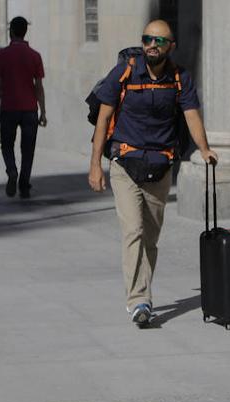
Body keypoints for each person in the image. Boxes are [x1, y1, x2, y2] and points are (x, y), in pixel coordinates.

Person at [88, 19, 217, 327]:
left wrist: (204, 149)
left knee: (151, 237)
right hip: (124, 163)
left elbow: (191, 116)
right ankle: (138, 300)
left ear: (170, 46)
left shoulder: (179, 78)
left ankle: (142, 292)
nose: (151, 45)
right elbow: (104, 119)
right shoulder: (125, 72)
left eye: (159, 41)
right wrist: (95, 164)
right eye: (147, 39)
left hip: (160, 167)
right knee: (133, 230)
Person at [0, 16, 46, 198]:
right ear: (25, 32)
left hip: (9, 107)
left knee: (6, 145)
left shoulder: (2, 54)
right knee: (28, 149)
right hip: (30, 108)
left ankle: (12, 170)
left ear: (11, 31)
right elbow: (38, 86)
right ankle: (24, 184)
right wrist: (43, 111)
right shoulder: (35, 56)